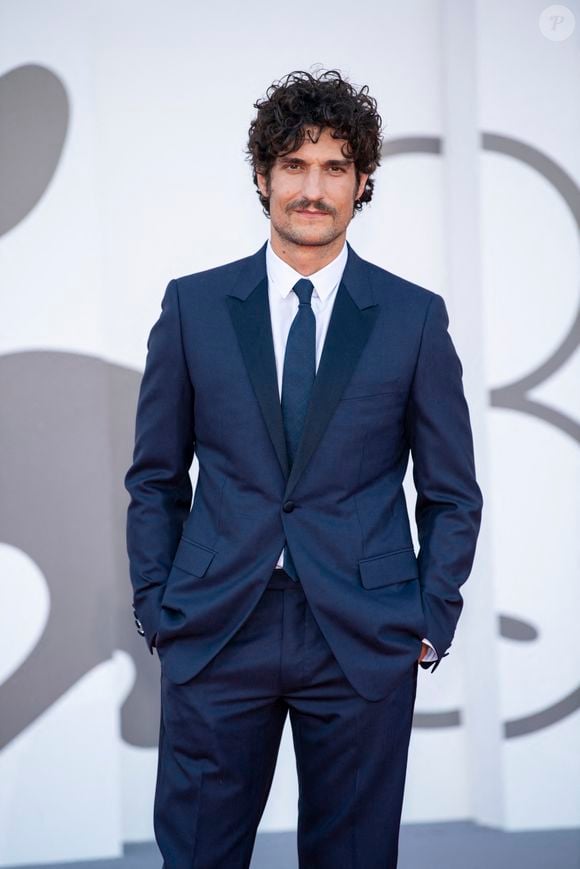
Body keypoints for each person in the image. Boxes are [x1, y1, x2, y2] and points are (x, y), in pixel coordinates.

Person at [124, 68, 483, 869]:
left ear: (362, 184)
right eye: (293, 164)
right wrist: (158, 608)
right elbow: (154, 477)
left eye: (333, 167)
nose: (311, 188)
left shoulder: (413, 317)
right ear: (262, 176)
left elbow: (452, 491)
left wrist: (428, 619)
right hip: (216, 629)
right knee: (197, 856)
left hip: (361, 633)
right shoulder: (193, 307)